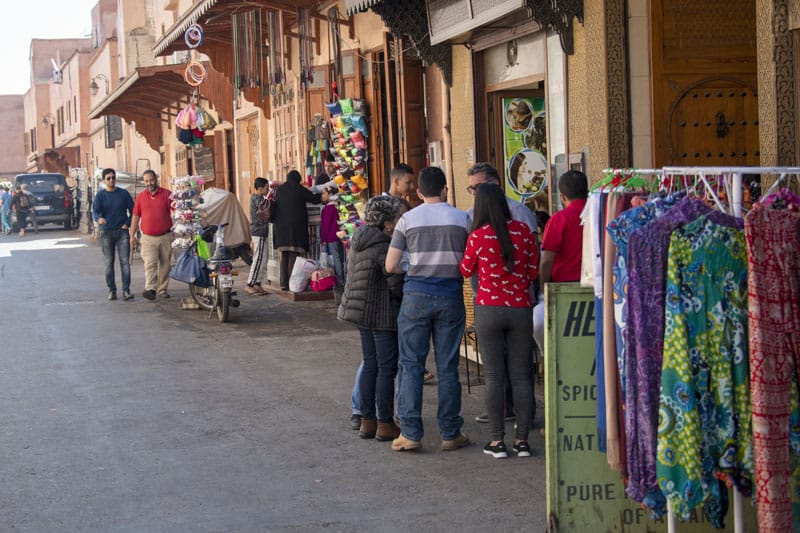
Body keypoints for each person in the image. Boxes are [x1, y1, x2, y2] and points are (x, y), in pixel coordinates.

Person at [386, 166, 470, 452]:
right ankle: (450, 432)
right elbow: (470, 262)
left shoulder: (407, 220)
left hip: (416, 296)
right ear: (445, 188)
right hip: (451, 296)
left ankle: (410, 433)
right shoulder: (463, 219)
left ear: (419, 192)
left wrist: (414, 265)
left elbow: (391, 265)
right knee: (448, 366)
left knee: (411, 364)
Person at [460, 183, 538, 458]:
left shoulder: (478, 236)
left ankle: (497, 441)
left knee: (493, 376)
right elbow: (532, 272)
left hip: (488, 309)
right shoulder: (524, 232)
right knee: (520, 376)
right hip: (520, 309)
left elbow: (465, 268)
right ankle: (522, 440)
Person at [338, 195, 405, 441]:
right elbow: (395, 282)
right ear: (387, 223)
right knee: (386, 368)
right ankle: (385, 423)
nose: (400, 221)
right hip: (382, 312)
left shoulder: (360, 239)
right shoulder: (383, 246)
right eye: (398, 217)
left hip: (360, 311)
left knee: (371, 364)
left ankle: (367, 421)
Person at [532, 170, 589, 352]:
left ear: (562, 196)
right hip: (596, 287)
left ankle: (545, 358)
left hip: (563, 289)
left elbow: (546, 260)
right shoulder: (599, 216)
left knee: (557, 336)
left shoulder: (559, 219)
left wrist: (544, 289)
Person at [272, 170, 322, 291]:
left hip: (281, 228)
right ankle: (291, 283)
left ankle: (283, 283)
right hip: (296, 228)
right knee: (293, 254)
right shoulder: (299, 189)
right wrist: (324, 195)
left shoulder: (280, 190)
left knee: (284, 255)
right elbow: (314, 199)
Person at [130, 170, 173, 300]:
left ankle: (162, 289)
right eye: (147, 181)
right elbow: (136, 217)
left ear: (156, 179)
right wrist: (132, 235)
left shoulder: (167, 194)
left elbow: (176, 210)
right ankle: (150, 288)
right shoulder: (141, 197)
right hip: (148, 237)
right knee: (150, 263)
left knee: (165, 264)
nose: (149, 183)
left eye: (151, 180)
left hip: (165, 236)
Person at [92, 168, 135, 301]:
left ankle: (126, 290)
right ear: (104, 180)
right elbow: (95, 211)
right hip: (106, 232)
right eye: (108, 178)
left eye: (113, 177)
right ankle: (112, 290)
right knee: (109, 263)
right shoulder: (100, 196)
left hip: (122, 232)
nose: (111, 180)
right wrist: (99, 218)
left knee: (125, 262)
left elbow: (134, 211)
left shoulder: (123, 194)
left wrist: (127, 223)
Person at [245, 177, 270, 295]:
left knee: (263, 258)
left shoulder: (260, 198)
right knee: (258, 258)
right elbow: (266, 209)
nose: (268, 189)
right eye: (266, 187)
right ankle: (250, 284)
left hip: (262, 232)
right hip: (258, 231)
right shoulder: (257, 199)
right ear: (260, 189)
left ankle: (257, 283)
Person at [319, 187, 344, 286]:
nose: (322, 195)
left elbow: (326, 225)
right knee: (337, 257)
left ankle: (340, 280)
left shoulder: (329, 208)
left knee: (335, 258)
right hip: (336, 236)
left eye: (324, 193)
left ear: (329, 194)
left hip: (331, 237)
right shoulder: (335, 206)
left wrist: (323, 238)